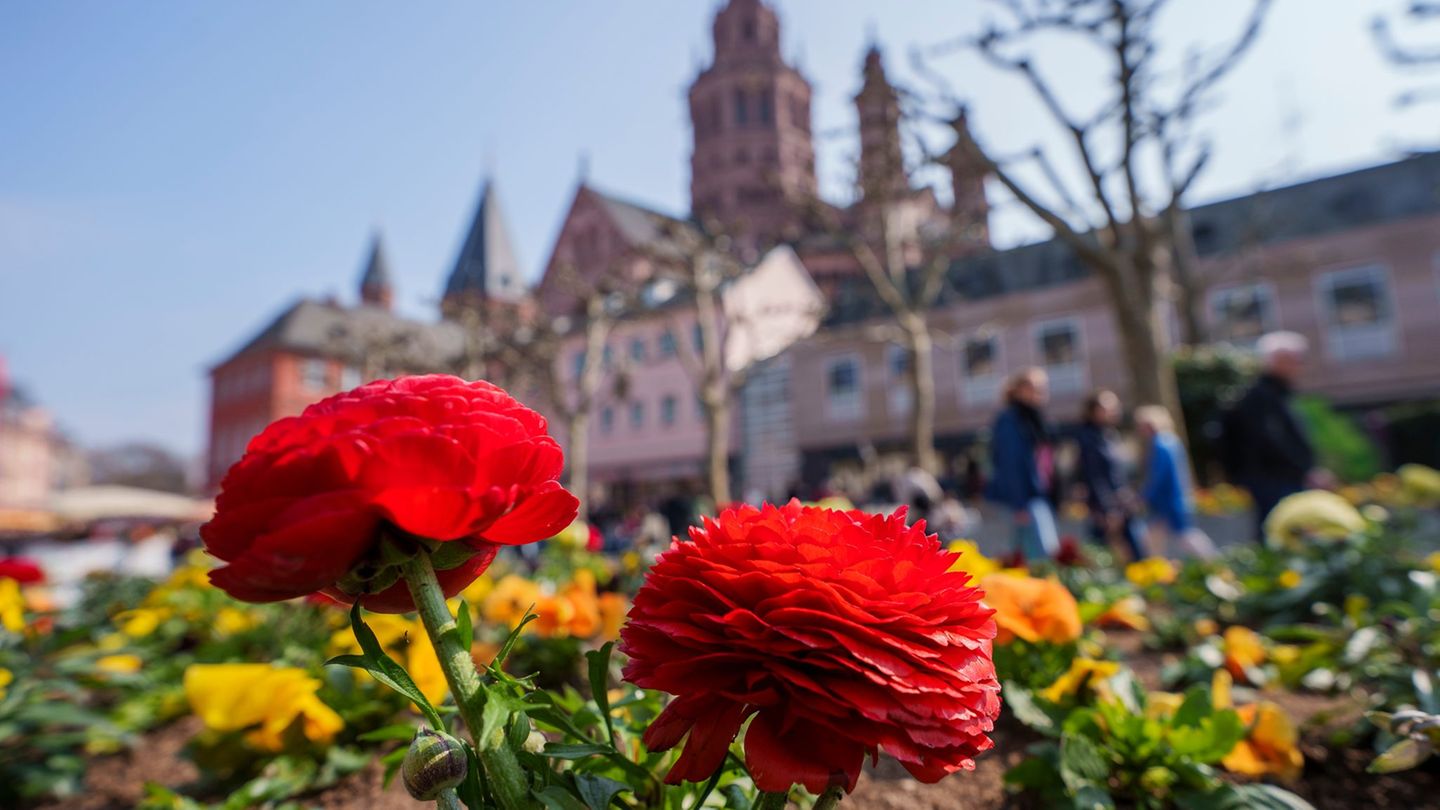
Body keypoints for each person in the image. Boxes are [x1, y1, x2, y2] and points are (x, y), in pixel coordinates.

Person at [1222, 331, 1318, 541]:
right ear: (1277, 360)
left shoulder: (1278, 393)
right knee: (1277, 534)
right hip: (1273, 479)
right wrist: (1304, 467)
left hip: (1280, 477)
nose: (1299, 366)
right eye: (1295, 360)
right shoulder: (1261, 396)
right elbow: (1271, 440)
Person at [985, 368, 1059, 560]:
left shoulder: (1033, 418)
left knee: (1027, 555)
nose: (1040, 392)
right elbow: (1011, 462)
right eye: (1035, 388)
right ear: (1019, 390)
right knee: (1040, 557)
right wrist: (1019, 504)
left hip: (1036, 496)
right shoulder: (1011, 420)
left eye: (1043, 388)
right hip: (1024, 500)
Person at [1076, 390, 1147, 561]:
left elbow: (1118, 472)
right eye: (1108, 407)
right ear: (1093, 411)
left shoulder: (1110, 434)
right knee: (1099, 550)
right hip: (1106, 506)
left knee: (1127, 548)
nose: (1114, 410)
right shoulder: (1089, 438)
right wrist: (1107, 508)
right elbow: (1094, 476)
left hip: (1121, 503)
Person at [1137, 406, 1216, 558]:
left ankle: (1213, 562)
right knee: (1153, 537)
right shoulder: (1172, 440)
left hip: (1168, 500)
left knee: (1186, 535)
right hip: (1174, 498)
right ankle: (1158, 571)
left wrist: (1144, 496)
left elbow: (1158, 476)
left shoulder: (1160, 444)